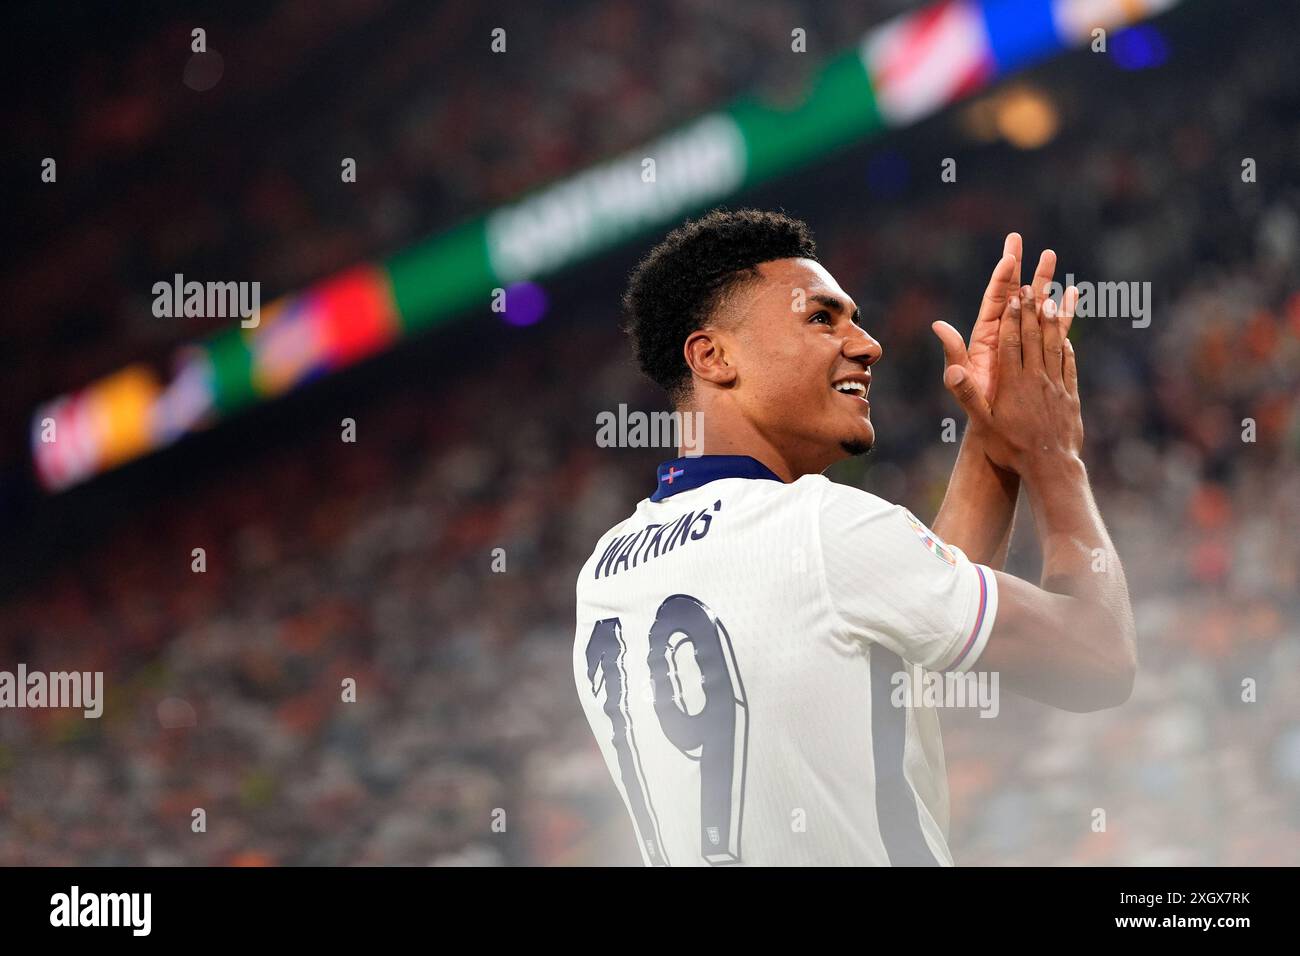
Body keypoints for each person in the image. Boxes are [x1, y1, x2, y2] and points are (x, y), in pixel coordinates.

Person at [572, 208, 1136, 866]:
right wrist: (1053, 455)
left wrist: (990, 434)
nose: (868, 344)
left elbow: (898, 658)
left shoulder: (607, 572)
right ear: (713, 356)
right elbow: (1099, 660)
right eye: (821, 317)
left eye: (853, 317)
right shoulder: (815, 523)